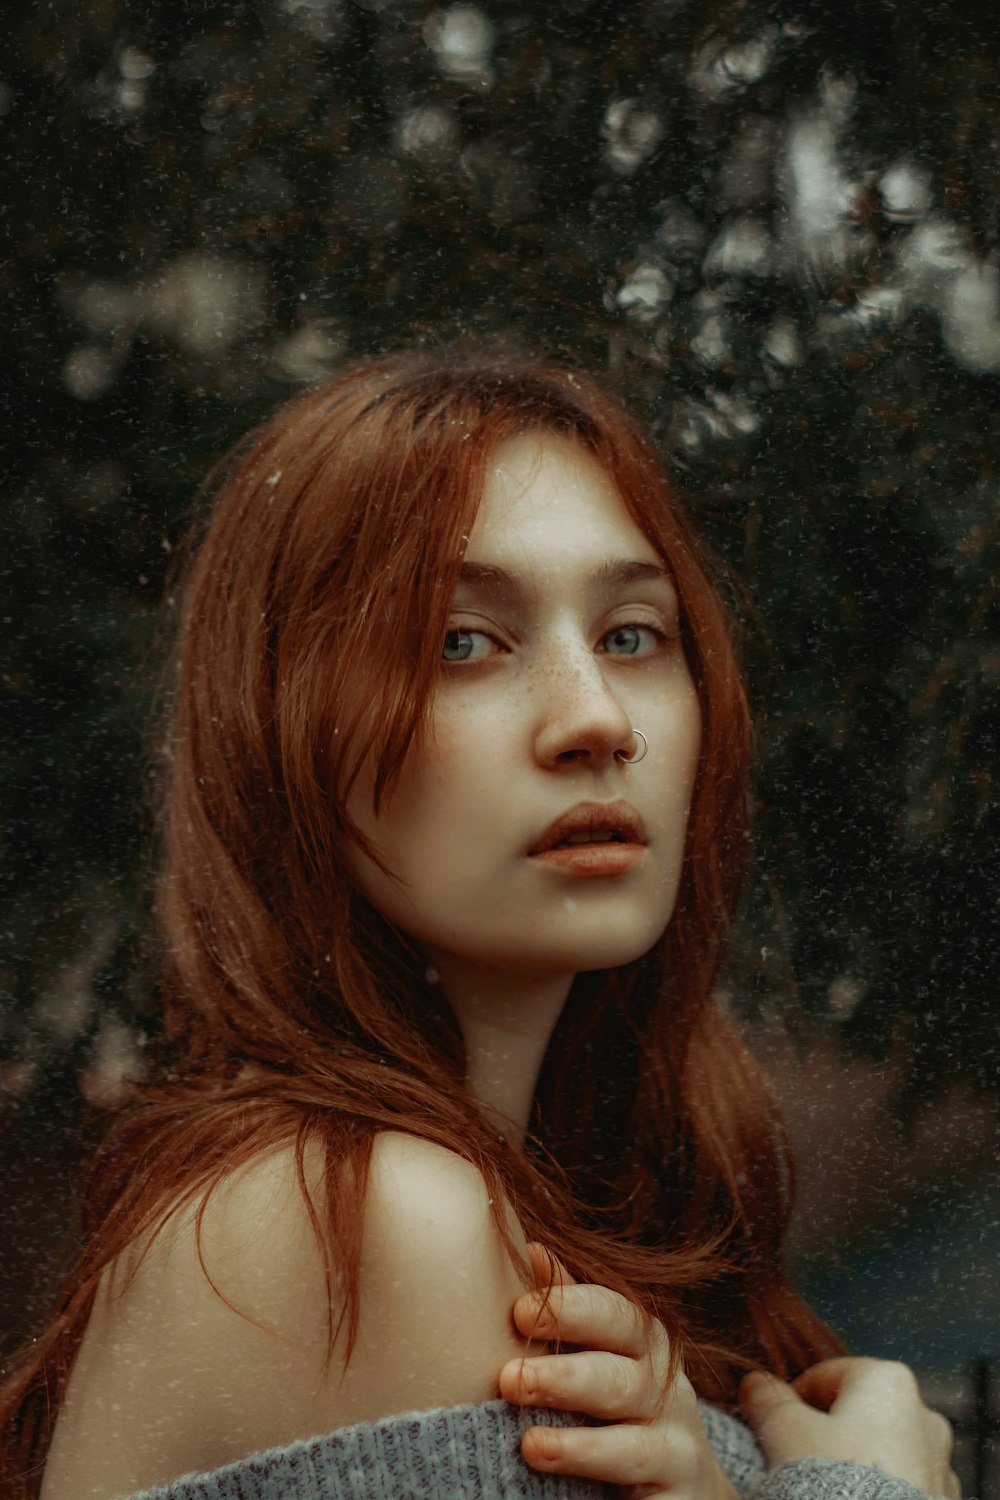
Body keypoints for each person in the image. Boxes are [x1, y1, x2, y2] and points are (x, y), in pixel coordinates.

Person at [0, 350, 958, 1500]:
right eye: (463, 642)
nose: (596, 720)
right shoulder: (367, 1218)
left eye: (631, 635)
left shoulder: (529, 1187)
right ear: (286, 734)